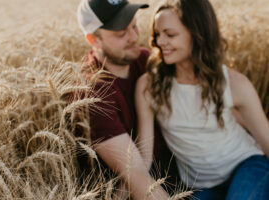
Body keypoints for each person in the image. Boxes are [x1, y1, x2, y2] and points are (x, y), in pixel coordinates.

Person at [135, 0, 269, 199]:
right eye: (157, 34)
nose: (160, 42)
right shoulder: (148, 86)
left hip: (247, 166)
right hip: (198, 186)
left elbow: (266, 141)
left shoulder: (235, 84)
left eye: (170, 34)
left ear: (197, 34)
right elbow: (144, 158)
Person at [76, 0, 177, 199]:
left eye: (134, 25)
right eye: (121, 33)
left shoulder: (147, 61)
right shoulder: (91, 95)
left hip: (183, 174)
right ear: (94, 40)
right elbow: (137, 176)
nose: (134, 37)